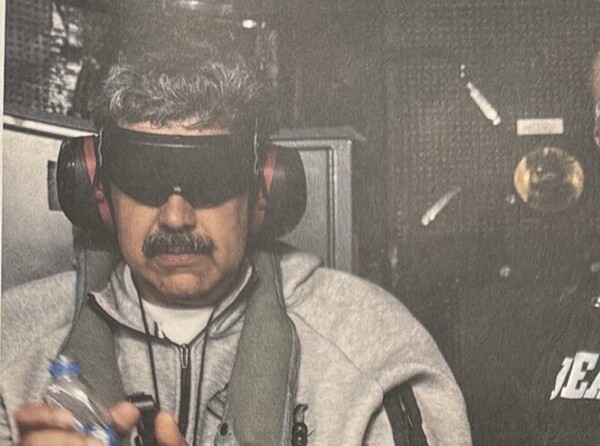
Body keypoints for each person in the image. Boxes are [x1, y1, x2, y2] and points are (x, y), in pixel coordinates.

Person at [0, 21, 471, 446]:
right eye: (144, 176)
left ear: (263, 188)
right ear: (97, 187)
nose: (176, 217)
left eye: (209, 178)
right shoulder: (12, 344)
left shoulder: (375, 350)